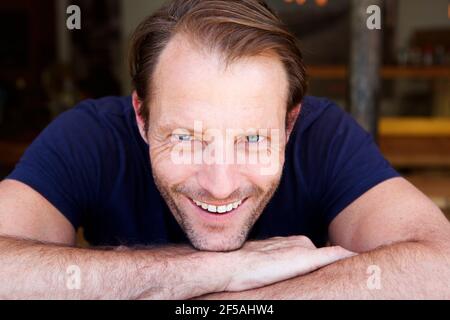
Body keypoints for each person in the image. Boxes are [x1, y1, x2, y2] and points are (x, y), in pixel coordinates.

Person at [0, 0, 449, 300]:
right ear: (142, 117)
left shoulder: (323, 135)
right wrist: (202, 271)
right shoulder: (90, 136)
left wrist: (228, 300)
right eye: (186, 138)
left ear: (290, 123)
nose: (220, 186)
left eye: (253, 140)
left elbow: (441, 266)